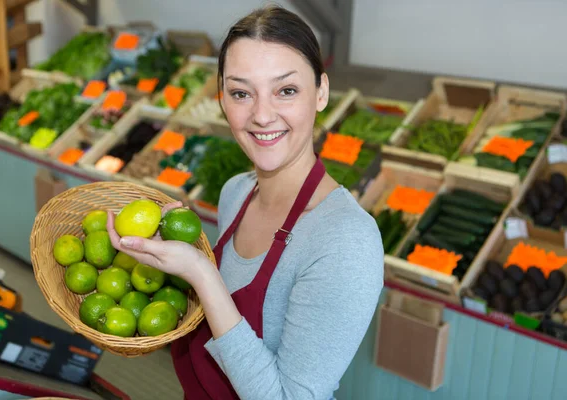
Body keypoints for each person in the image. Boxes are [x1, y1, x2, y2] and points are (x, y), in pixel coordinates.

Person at [106, 5, 383, 400]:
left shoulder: (345, 240)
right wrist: (175, 264)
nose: (262, 115)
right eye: (241, 93)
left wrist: (203, 275)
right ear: (222, 99)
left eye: (285, 90)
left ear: (321, 92)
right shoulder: (236, 192)